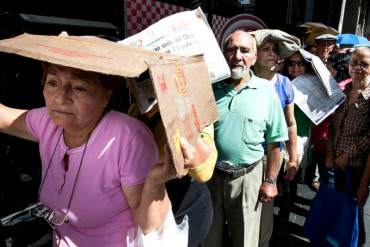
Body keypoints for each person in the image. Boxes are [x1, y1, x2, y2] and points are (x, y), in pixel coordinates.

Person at [0, 61, 210, 247]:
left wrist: (155, 181)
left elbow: (150, 225)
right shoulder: (47, 122)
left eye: (78, 87)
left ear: (105, 95)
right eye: (52, 82)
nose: (61, 98)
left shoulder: (126, 138)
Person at [203, 30, 288, 247]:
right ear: (224, 54)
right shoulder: (210, 88)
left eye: (244, 50)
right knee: (209, 238)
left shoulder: (267, 92)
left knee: (245, 240)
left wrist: (270, 181)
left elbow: (275, 142)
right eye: (231, 49)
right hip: (210, 178)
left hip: (248, 179)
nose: (237, 55)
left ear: (253, 57)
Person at [251, 29, 299, 247]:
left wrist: (293, 158)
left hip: (271, 156)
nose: (272, 53)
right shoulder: (244, 81)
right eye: (266, 49)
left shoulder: (284, 84)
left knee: (265, 207)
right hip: (245, 156)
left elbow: (290, 123)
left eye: (275, 50)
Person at [325, 46, 370, 246]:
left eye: (365, 64)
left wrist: (347, 155)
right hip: (336, 162)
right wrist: (330, 153)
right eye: (354, 63)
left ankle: (356, 243)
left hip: (357, 167)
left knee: (354, 210)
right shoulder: (344, 90)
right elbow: (333, 125)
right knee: (340, 206)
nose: (358, 67)